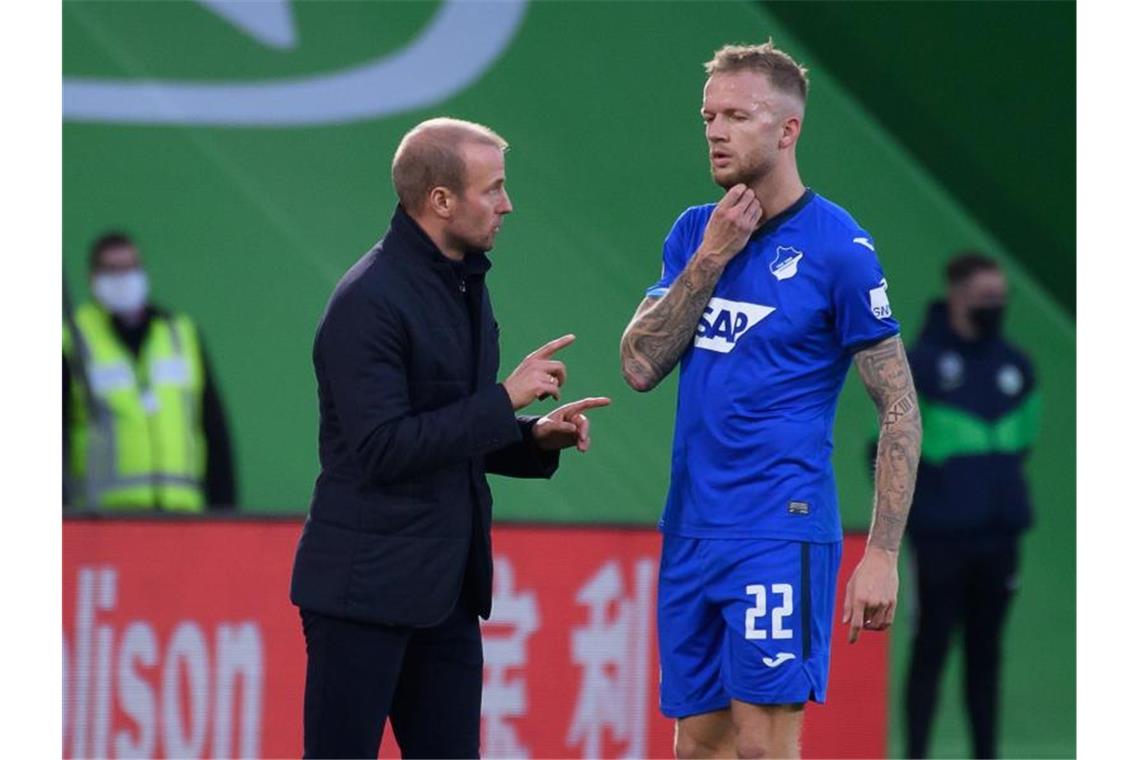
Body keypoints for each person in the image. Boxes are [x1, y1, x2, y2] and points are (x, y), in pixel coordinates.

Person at [619, 42, 922, 758]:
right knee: (696, 746)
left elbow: (901, 405)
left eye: (737, 116)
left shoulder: (839, 248)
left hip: (776, 531)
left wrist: (882, 552)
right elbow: (638, 363)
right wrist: (712, 256)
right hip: (692, 527)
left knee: (761, 747)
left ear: (788, 130)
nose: (716, 131)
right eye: (707, 116)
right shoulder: (697, 233)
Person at [289, 117, 610, 759]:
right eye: (492, 189)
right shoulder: (368, 302)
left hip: (446, 595)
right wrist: (503, 399)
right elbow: (383, 449)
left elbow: (450, 429)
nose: (507, 204)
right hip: (363, 593)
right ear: (440, 200)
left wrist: (531, 438)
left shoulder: (463, 284)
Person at [902, 253, 1038, 759]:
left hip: (998, 538)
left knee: (986, 657)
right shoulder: (921, 364)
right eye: (985, 299)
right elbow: (887, 447)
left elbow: (1023, 443)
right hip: (938, 540)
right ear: (957, 295)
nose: (994, 308)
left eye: (1000, 300)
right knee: (930, 651)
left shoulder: (1016, 368)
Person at [63, 232, 237, 511]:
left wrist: (225, 510)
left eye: (131, 267)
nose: (124, 279)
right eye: (112, 269)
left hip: (181, 514)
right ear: (93, 278)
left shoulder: (180, 335)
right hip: (105, 519)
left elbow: (213, 427)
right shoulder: (72, 341)